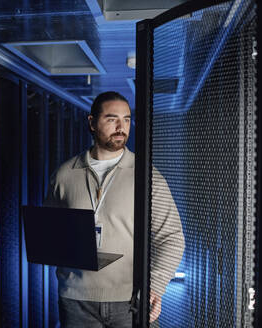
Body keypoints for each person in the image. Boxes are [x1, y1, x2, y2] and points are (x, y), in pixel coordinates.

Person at [44, 91, 185, 327]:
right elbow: (51, 234)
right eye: (112, 119)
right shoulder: (64, 175)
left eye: (127, 119)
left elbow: (172, 238)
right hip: (76, 298)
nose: (121, 127)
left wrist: (155, 287)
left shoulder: (147, 176)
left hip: (130, 298)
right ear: (92, 122)